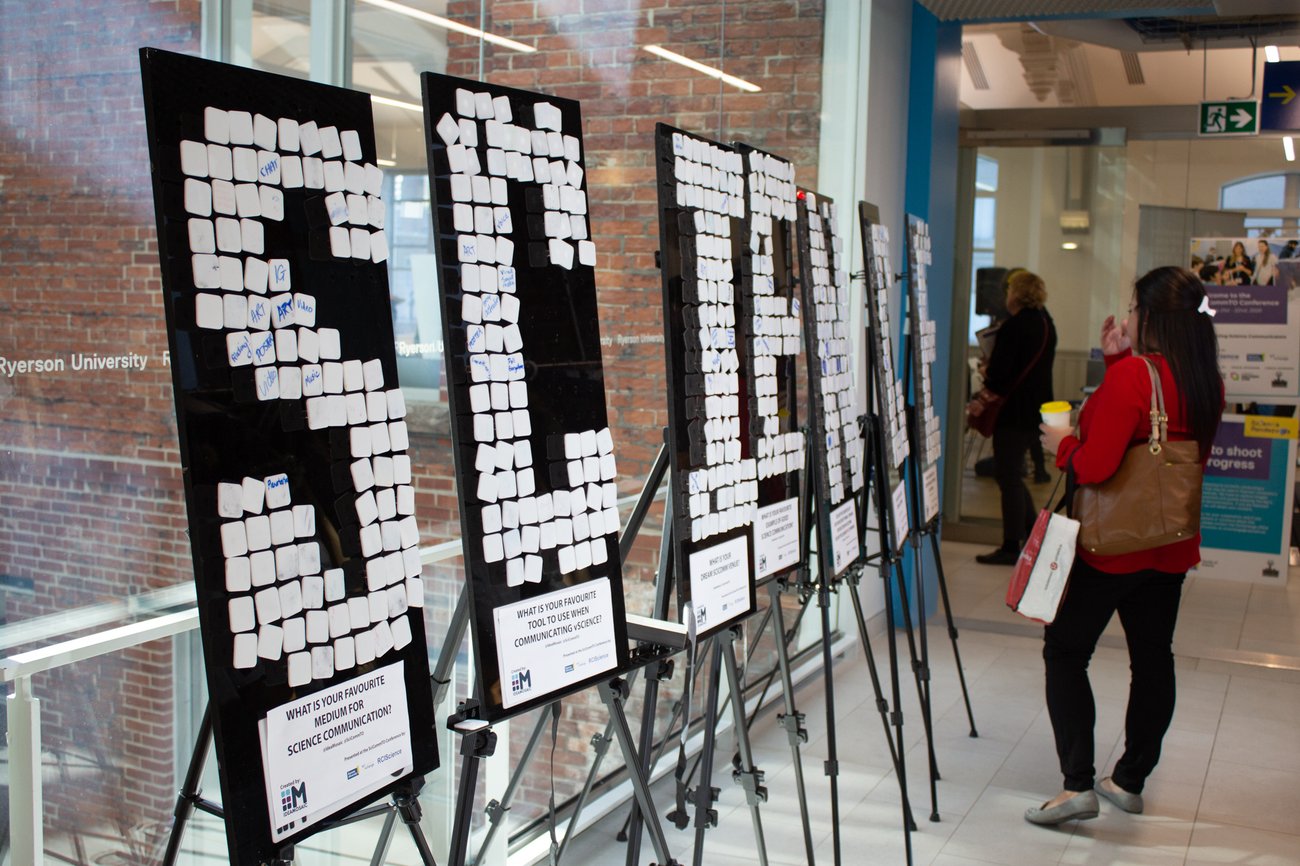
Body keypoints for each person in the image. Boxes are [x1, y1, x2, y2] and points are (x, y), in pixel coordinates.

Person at [1028, 266, 1224, 826]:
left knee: (1066, 651)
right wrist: (1117, 361)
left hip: (1111, 549)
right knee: (1153, 659)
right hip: (1171, 547)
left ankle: (1077, 785)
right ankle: (1131, 780)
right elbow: (1156, 446)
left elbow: (1097, 465)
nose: (1128, 317)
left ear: (1153, 318)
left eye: (1134, 309)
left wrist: (1064, 444)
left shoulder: (1136, 377)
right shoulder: (1205, 377)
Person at [974, 270, 1057, 565]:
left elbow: (1000, 377)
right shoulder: (1047, 325)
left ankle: (1012, 545)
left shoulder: (1014, 327)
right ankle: (1036, 534)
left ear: (1016, 294)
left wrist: (986, 370)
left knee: (1007, 476)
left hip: (1013, 413)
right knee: (1012, 474)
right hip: (1036, 410)